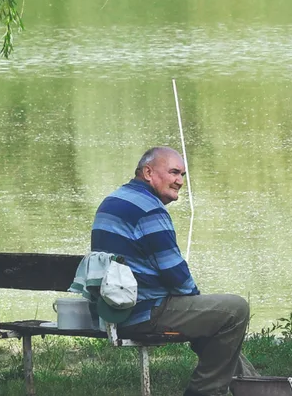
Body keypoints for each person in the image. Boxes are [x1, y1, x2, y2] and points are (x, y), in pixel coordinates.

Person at [92, 146, 255, 396]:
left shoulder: (113, 200)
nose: (179, 181)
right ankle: (206, 392)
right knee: (234, 309)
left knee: (212, 316)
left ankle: (253, 384)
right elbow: (176, 275)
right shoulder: (150, 210)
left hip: (110, 312)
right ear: (148, 172)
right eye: (174, 172)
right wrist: (195, 298)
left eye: (182, 175)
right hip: (141, 312)